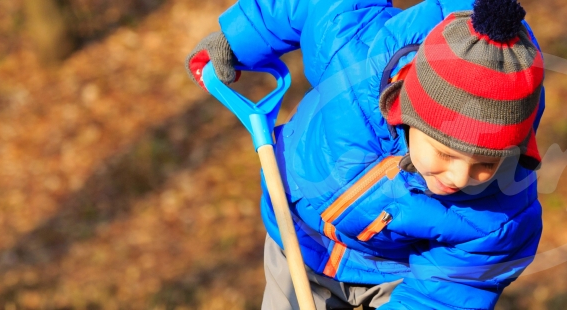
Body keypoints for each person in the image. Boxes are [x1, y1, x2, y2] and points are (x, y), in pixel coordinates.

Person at [185, 0, 546, 308]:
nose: (460, 178)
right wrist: (238, 39)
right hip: (298, 236)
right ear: (405, 110)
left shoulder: (503, 212)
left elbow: (451, 291)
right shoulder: (354, 50)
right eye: (445, 154)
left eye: (486, 163)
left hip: (393, 276)